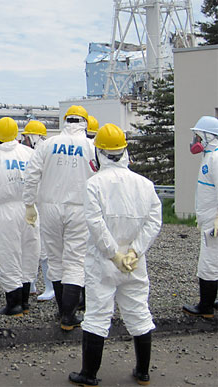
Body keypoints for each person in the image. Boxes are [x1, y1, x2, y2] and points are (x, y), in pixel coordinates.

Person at [69, 124, 161, 386]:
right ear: (124, 152)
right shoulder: (145, 184)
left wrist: (114, 254)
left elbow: (96, 225)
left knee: (97, 315)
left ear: (98, 153)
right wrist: (134, 251)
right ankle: (143, 372)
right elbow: (154, 222)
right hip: (135, 264)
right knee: (139, 312)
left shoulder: (94, 184)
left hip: (103, 263)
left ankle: (89, 374)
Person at [22, 105, 95, 330]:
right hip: (80, 208)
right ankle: (69, 315)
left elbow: (31, 175)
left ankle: (61, 311)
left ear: (65, 121)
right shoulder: (91, 146)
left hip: (50, 207)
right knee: (75, 260)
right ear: (84, 122)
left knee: (55, 258)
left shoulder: (48, 145)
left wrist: (29, 204)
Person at [0, 117, 40, 316]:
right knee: (28, 252)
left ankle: (13, 304)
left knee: (9, 254)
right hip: (29, 208)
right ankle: (24, 302)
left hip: (5, 211)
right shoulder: (29, 153)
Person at [182, 115, 218, 319]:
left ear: (209, 137)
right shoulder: (210, 156)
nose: (195, 141)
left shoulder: (215, 158)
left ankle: (205, 307)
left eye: (198, 136)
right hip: (210, 219)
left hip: (214, 223)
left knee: (209, 264)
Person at [21, 120, 54, 302]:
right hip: (36, 204)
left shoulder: (44, 153)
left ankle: (50, 286)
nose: (23, 140)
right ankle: (32, 283)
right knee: (31, 245)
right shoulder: (33, 153)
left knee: (45, 249)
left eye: (26, 136)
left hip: (45, 204)